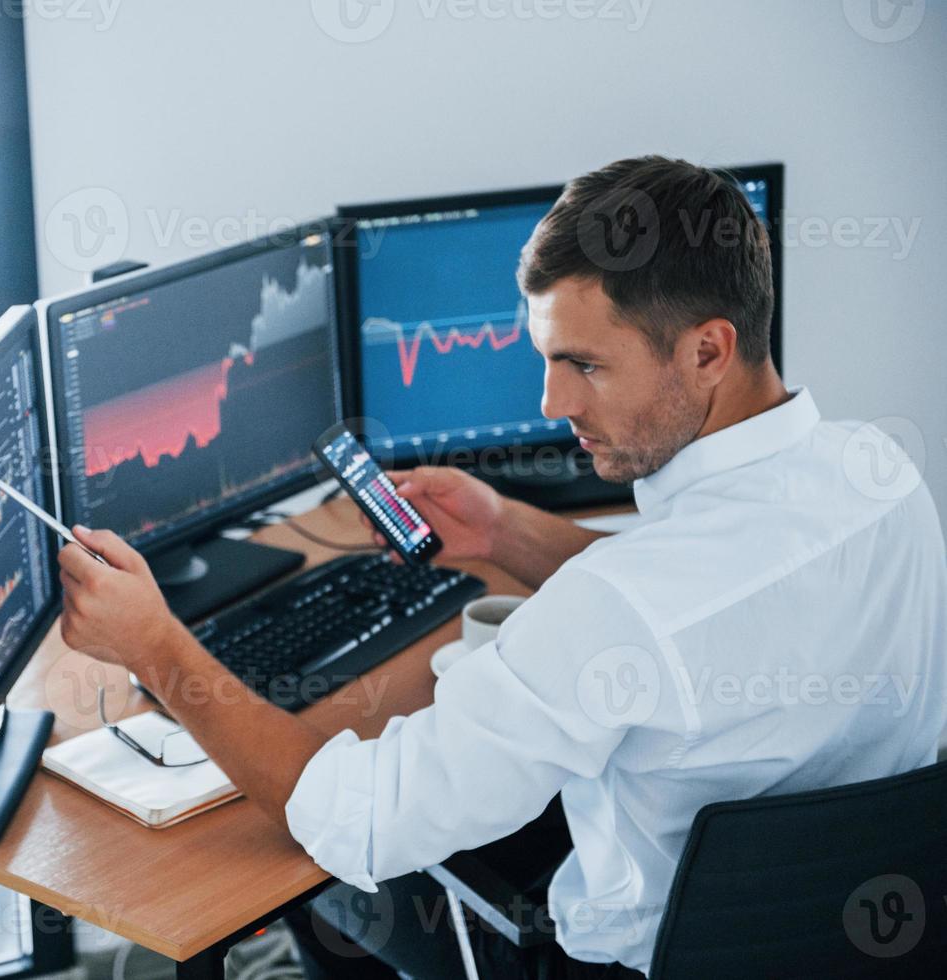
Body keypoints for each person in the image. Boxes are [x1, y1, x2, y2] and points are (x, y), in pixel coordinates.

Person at [54, 156, 947, 978]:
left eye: (583, 364)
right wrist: (507, 531)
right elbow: (709, 616)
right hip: (843, 939)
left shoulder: (619, 607)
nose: (552, 402)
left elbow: (358, 819)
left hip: (614, 964)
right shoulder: (882, 477)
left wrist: (156, 649)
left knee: (312, 866)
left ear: (708, 349)